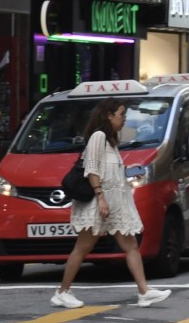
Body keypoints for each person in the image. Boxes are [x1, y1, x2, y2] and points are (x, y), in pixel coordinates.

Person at [50, 98, 171, 309]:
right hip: (99, 204)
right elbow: (92, 170)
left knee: (131, 245)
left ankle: (144, 291)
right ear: (109, 115)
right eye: (121, 114)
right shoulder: (98, 137)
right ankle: (62, 292)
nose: (124, 118)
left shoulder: (111, 141)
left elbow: (110, 173)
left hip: (115, 205)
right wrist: (100, 197)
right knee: (83, 247)